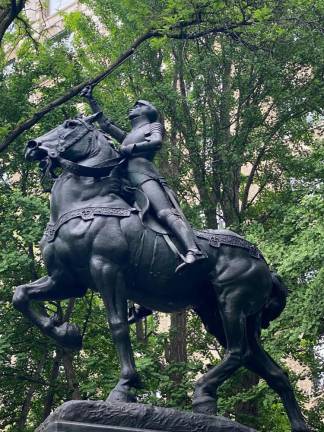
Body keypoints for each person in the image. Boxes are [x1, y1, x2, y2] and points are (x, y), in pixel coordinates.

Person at [80, 86, 206, 273]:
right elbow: (105, 124)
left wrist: (129, 150)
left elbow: (157, 142)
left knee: (164, 213)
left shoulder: (153, 126)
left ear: (147, 111)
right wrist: (91, 99)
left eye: (137, 105)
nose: (133, 108)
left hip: (143, 174)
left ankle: (193, 250)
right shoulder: (128, 136)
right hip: (124, 178)